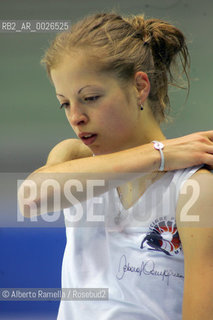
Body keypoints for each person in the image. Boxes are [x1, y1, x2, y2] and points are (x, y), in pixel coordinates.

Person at [18, 11, 213, 320]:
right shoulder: (73, 158)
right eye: (65, 103)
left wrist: (162, 157)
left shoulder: (194, 187)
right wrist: (158, 154)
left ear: (139, 87)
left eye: (90, 97)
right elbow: (31, 199)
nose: (75, 117)